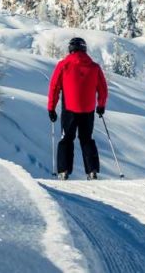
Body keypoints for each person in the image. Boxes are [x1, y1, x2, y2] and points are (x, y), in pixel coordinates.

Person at [47, 36, 109, 180]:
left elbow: (54, 87)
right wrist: (101, 105)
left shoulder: (63, 65)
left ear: (70, 49)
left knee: (67, 139)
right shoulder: (94, 67)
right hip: (88, 110)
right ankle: (92, 171)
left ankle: (64, 171)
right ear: (84, 49)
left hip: (69, 108)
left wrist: (51, 108)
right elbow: (103, 89)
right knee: (87, 139)